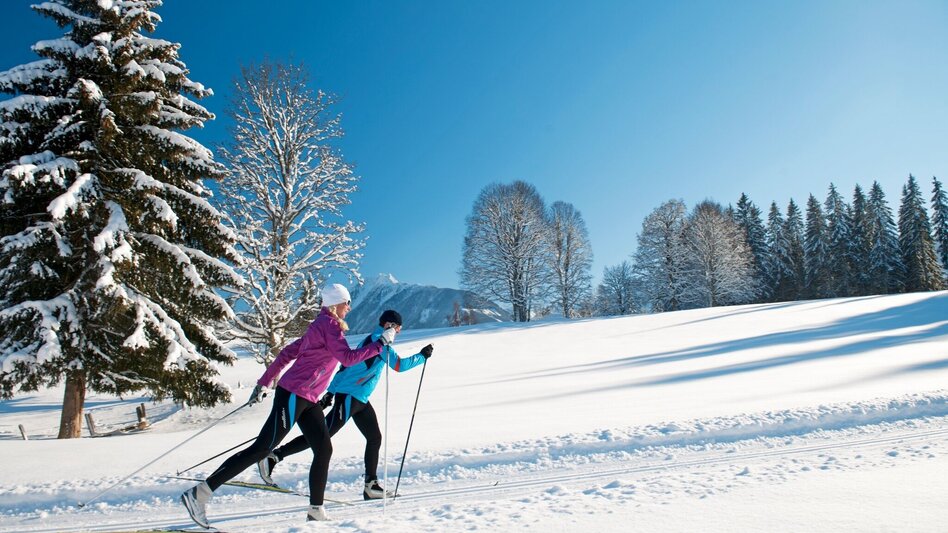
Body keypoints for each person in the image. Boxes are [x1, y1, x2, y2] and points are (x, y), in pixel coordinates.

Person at [180, 283, 395, 526]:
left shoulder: (320, 326)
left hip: (309, 398)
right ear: (336, 303)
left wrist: (264, 383)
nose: (349, 308)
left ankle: (316, 510)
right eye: (347, 303)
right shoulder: (329, 326)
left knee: (323, 449)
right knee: (262, 448)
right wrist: (380, 344)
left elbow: (287, 353)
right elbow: (347, 358)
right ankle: (199, 494)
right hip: (294, 393)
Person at [256, 309, 433, 500]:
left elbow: (345, 367)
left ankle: (371, 486)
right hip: (350, 397)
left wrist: (331, 392)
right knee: (322, 436)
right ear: (389, 325)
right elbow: (399, 366)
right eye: (398, 327)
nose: (398, 331)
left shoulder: (371, 339)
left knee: (374, 437)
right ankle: (275, 456)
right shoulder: (378, 342)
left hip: (359, 398)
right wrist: (422, 356)